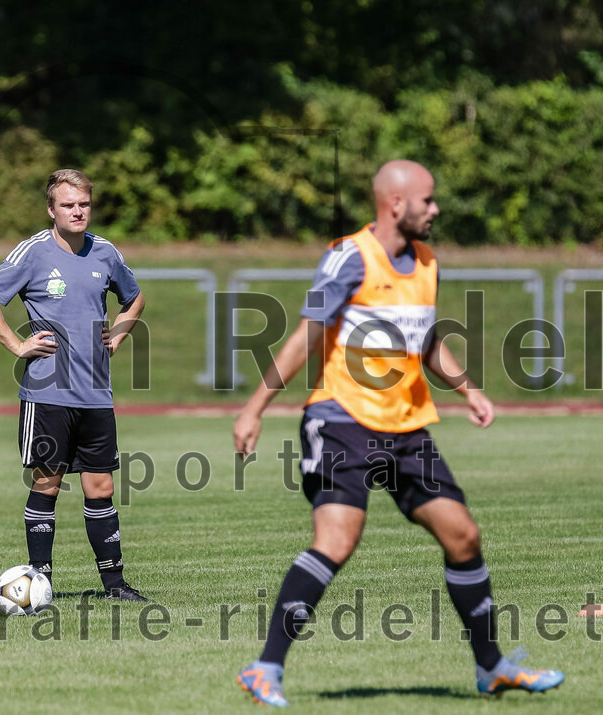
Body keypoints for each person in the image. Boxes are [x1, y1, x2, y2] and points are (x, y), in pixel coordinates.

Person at [232, 160, 564, 706]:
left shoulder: (428, 260)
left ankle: (493, 668)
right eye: (428, 201)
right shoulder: (349, 257)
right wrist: (255, 407)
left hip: (408, 428)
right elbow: (308, 333)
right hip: (341, 420)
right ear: (395, 205)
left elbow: (426, 338)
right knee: (337, 540)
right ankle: (264, 668)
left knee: (463, 535)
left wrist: (469, 389)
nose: (435, 210)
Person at [0, 169, 148, 601]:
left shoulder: (105, 252)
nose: (77, 211)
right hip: (47, 394)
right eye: (68, 204)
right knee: (47, 482)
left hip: (96, 394)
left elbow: (135, 297)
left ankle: (115, 585)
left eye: (84, 204)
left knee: (100, 488)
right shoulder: (33, 252)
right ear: (52, 209)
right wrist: (16, 344)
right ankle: (39, 581)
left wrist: (120, 334)